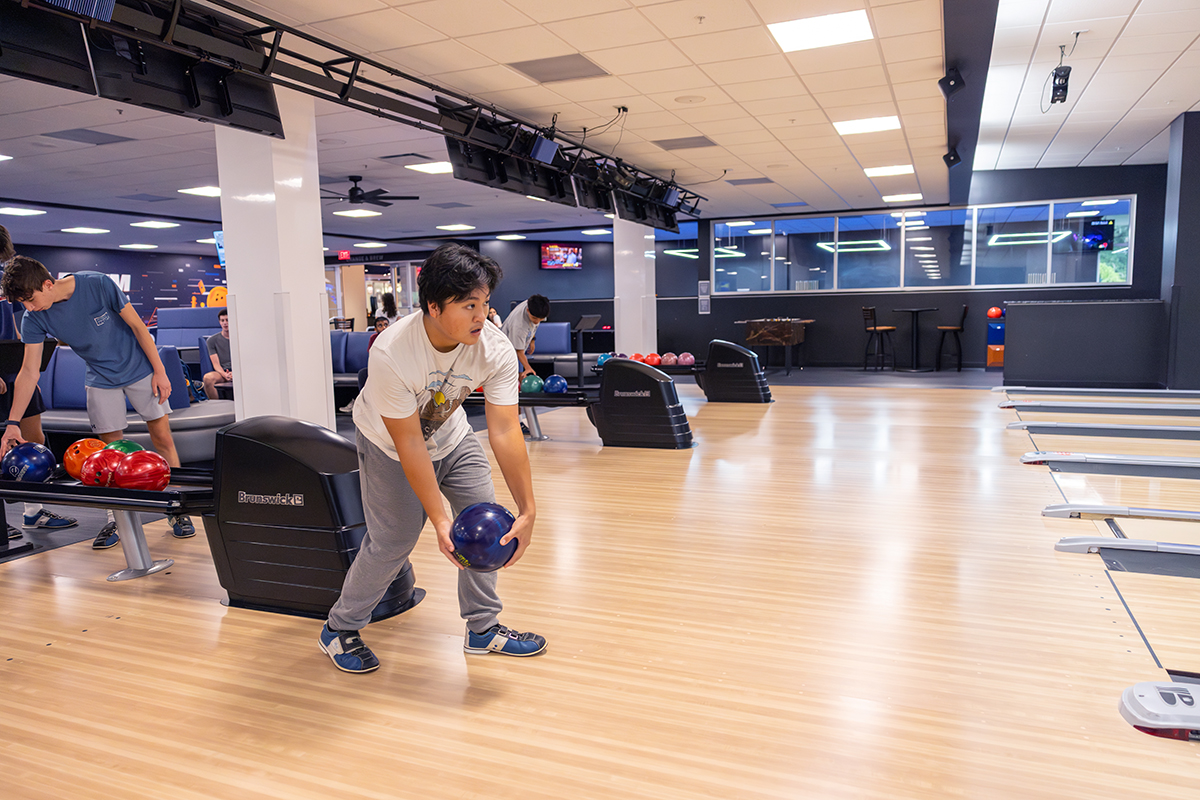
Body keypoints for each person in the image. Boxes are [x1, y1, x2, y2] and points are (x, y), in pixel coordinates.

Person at [319, 243, 544, 673]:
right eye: (468, 305)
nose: (482, 316)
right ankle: (340, 628)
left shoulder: (493, 348)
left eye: (485, 303)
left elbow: (504, 429)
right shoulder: (392, 352)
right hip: (387, 444)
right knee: (394, 541)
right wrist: (439, 519)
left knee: (486, 523)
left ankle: (482, 628)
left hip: (454, 437)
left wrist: (529, 509)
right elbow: (408, 443)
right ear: (434, 307)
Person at [0, 256, 196, 549]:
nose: (28, 307)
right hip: (100, 377)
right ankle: (114, 519)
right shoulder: (34, 317)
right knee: (110, 452)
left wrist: (160, 370)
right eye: (22, 304)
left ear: (48, 284)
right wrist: (13, 423)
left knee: (162, 437)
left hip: (140, 369)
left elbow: (139, 328)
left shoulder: (97, 283)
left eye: (30, 299)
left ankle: (178, 512)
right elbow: (29, 371)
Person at [0, 226, 78, 540]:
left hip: (11, 367)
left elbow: (19, 327)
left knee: (34, 438)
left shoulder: (5, 278)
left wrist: (25, 371)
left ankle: (34, 513)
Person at [500, 294, 550, 379]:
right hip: (504, 350)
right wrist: (528, 367)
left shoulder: (535, 306)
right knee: (513, 378)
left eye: (540, 319)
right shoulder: (519, 325)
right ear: (527, 310)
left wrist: (532, 340)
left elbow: (534, 325)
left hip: (516, 346)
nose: (537, 321)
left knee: (520, 375)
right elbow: (518, 351)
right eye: (534, 318)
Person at [202, 307, 232, 400]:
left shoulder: (241, 337)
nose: (225, 323)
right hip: (223, 372)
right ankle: (216, 406)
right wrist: (225, 375)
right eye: (222, 320)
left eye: (227, 320)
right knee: (208, 378)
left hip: (241, 372)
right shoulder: (212, 340)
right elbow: (216, 364)